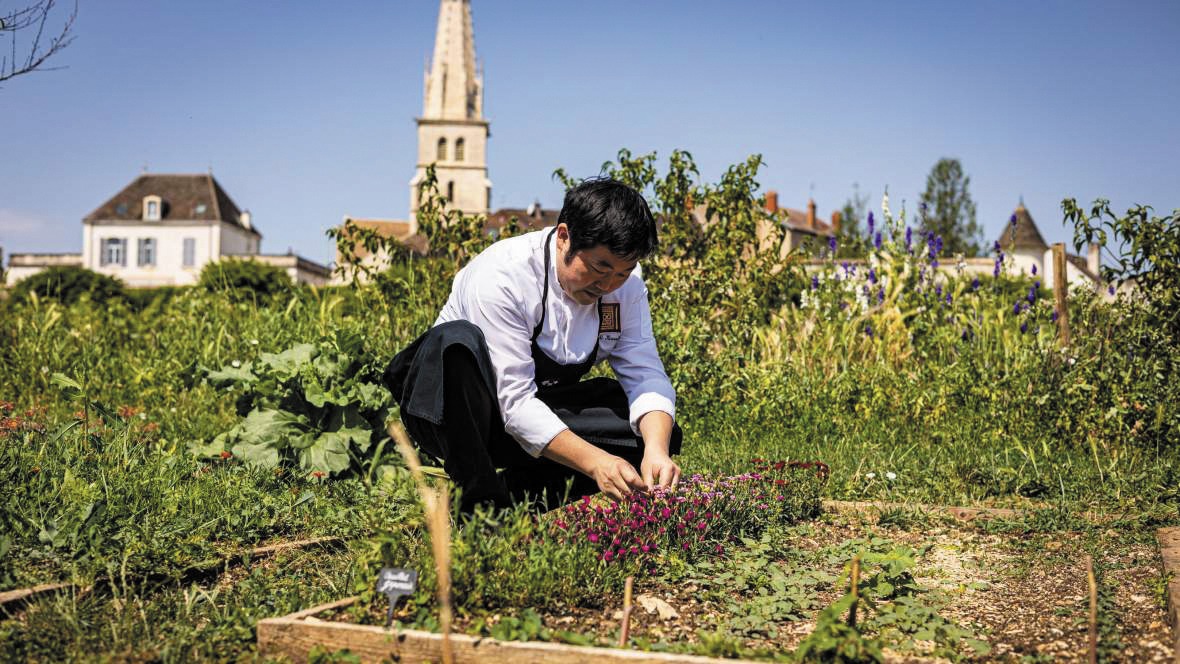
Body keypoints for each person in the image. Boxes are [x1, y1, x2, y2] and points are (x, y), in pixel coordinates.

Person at [385, 178, 682, 512]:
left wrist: (656, 450)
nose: (608, 284)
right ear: (564, 236)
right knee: (455, 343)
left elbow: (645, 374)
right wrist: (597, 462)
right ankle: (479, 503)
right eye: (600, 267)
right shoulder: (503, 275)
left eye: (622, 273)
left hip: (534, 405)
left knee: (652, 428)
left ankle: (509, 501)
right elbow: (514, 403)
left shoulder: (626, 288)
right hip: (453, 413)